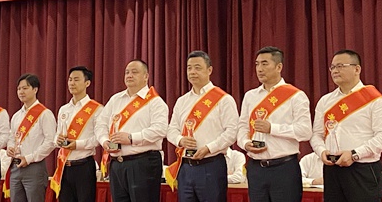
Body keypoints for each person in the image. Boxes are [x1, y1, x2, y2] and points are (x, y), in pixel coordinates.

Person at [310, 49, 382, 201]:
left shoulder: (375, 100)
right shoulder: (325, 101)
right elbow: (316, 134)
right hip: (332, 170)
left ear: (357, 69)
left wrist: (354, 154)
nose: (335, 71)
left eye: (340, 66)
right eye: (332, 67)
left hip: (363, 170)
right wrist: (321, 151)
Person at [237, 46, 312, 202]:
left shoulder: (296, 96)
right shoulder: (250, 96)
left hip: (283, 168)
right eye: (257, 64)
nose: (259, 69)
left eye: (265, 64)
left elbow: (305, 131)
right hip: (256, 168)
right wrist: (245, 143)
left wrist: (272, 128)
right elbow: (242, 127)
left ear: (279, 67)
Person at [166, 50, 239, 202]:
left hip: (211, 165)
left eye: (197, 67)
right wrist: (180, 140)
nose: (192, 72)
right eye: (189, 68)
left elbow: (232, 132)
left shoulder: (223, 99)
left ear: (209, 70)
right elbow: (171, 130)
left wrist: (209, 148)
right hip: (186, 167)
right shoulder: (182, 101)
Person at [95, 59, 169, 202]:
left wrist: (131, 138)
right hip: (117, 163)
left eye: (134, 72)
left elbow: (160, 130)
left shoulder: (155, 102)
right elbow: (100, 124)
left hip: (143, 163)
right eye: (127, 72)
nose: (129, 75)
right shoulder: (116, 99)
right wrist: (104, 141)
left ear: (146, 76)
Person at [50, 66, 103, 202]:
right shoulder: (64, 109)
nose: (72, 83)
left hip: (84, 166)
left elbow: (98, 138)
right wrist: (57, 140)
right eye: (70, 80)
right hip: (64, 166)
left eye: (76, 80)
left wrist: (77, 145)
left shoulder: (96, 109)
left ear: (87, 83)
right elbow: (57, 135)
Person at [5, 73, 56, 202]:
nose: (21, 92)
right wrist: (10, 147)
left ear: (35, 89)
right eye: (19, 89)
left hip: (34, 167)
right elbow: (12, 137)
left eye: (25, 88)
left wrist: (29, 158)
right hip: (16, 166)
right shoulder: (17, 115)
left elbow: (51, 142)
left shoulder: (45, 114)